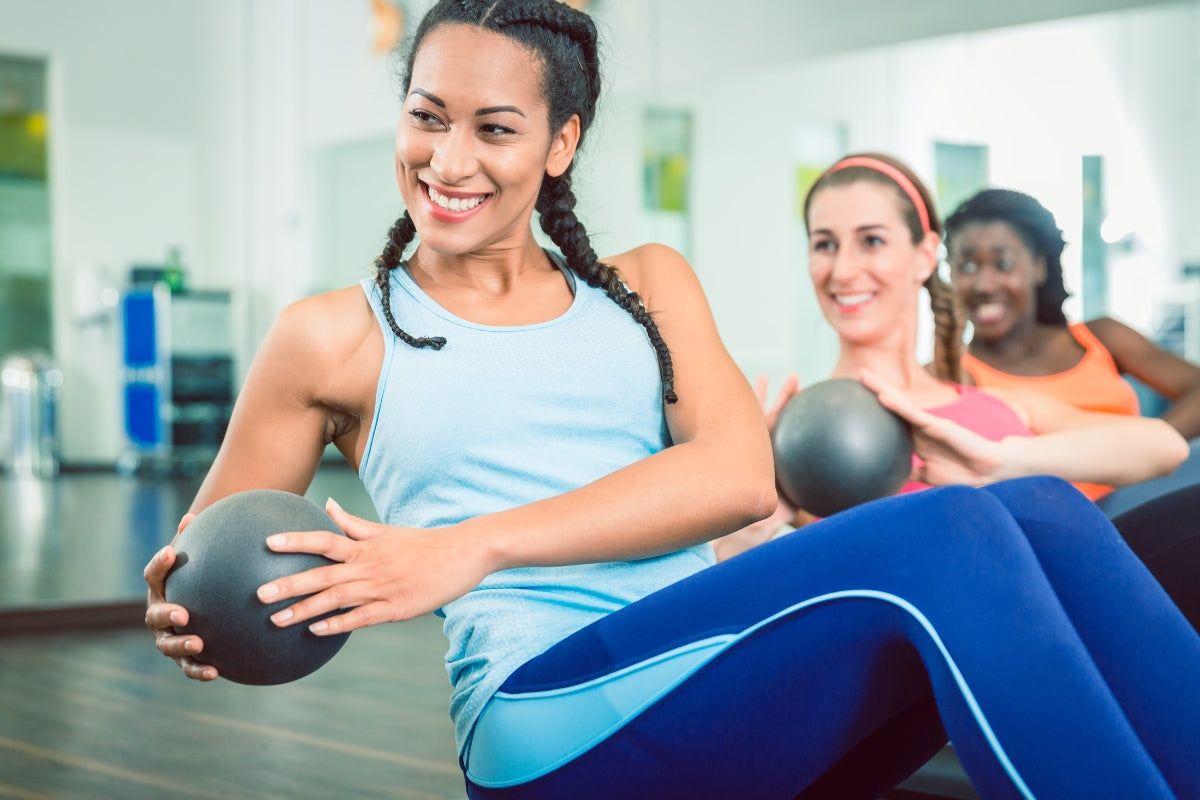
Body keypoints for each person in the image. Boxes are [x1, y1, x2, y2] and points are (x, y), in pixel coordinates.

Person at [144, 6, 1200, 798]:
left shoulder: (646, 283)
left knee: (1045, 510)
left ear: (560, 142)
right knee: (959, 529)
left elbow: (734, 474)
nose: (448, 159)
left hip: (704, 662)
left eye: (494, 128)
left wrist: (469, 544)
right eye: (427, 117)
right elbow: (211, 556)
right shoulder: (330, 333)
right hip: (546, 712)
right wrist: (182, 608)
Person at [943, 187, 1200, 514]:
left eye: (1003, 264)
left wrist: (1142, 458)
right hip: (1053, 526)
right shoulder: (952, 374)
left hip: (1144, 502)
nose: (984, 284)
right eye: (966, 266)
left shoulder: (1100, 337)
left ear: (1038, 267)